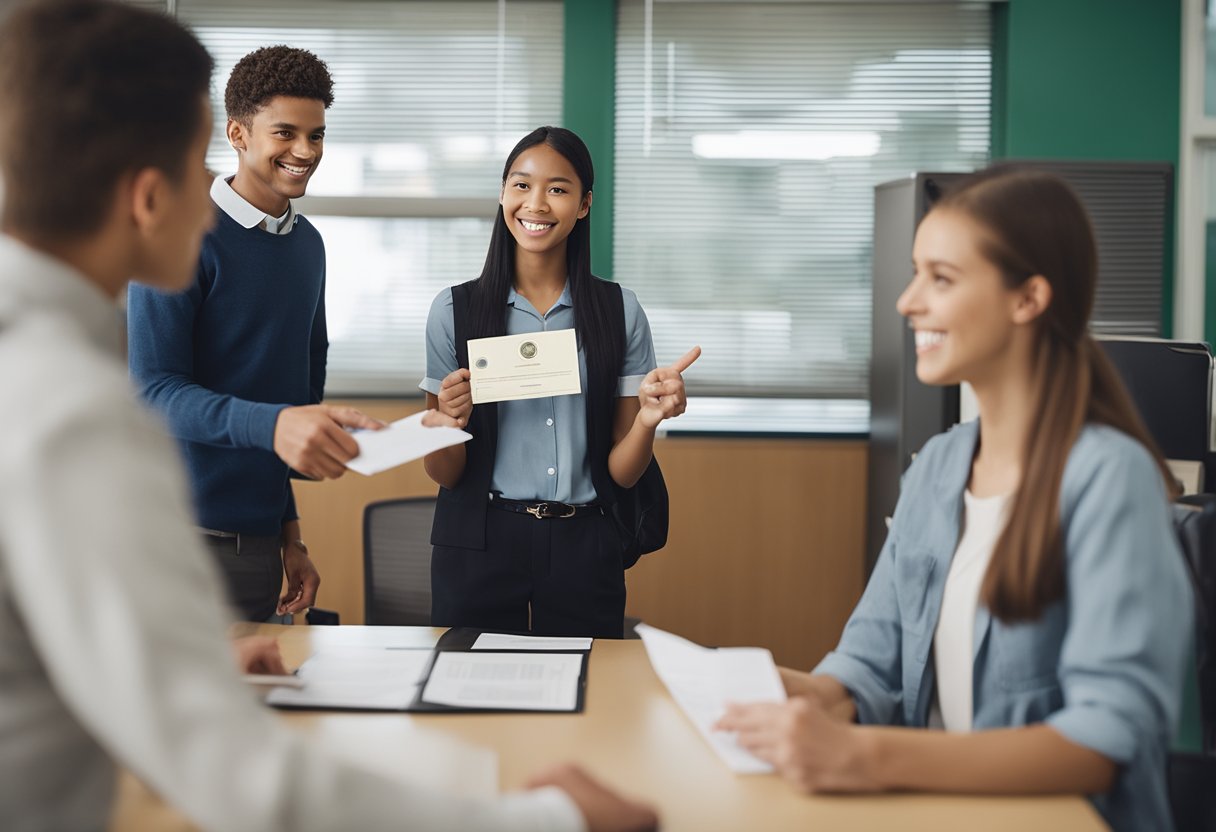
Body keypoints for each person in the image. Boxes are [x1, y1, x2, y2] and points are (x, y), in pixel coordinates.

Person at [0, 2, 657, 830]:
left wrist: (234, 598)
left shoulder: (54, 360)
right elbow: (236, 772)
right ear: (148, 194)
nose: (213, 203)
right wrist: (551, 821)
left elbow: (85, 666)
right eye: (195, 166)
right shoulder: (74, 412)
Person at [717, 167, 1193, 831]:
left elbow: (1104, 740)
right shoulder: (939, 465)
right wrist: (808, 695)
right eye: (916, 273)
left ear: (1028, 299)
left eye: (940, 279)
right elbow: (871, 662)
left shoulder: (1110, 478)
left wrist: (865, 756)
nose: (907, 302)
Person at [127, 44, 379, 622]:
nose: (305, 151)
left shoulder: (308, 246)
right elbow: (154, 392)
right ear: (238, 134)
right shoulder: (178, 234)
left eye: (316, 135)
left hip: (260, 546)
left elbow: (284, 406)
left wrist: (290, 535)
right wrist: (279, 424)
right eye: (285, 133)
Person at [420, 126, 698, 638]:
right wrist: (448, 423)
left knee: (587, 683)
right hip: (479, 540)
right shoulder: (453, 311)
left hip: (585, 542)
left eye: (558, 189)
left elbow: (622, 474)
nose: (536, 204)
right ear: (503, 193)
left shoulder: (620, 311)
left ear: (584, 204)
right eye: (522, 185)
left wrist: (648, 421)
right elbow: (445, 473)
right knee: (467, 684)